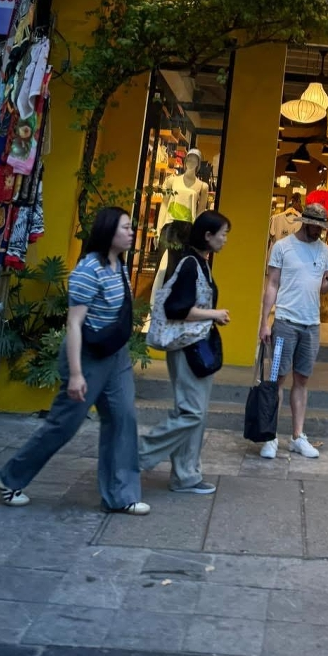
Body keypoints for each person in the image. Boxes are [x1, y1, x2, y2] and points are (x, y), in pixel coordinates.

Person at [0, 207, 148, 515]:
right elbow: (74, 324)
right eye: (125, 227)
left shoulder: (118, 265)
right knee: (64, 424)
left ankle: (121, 495)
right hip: (86, 355)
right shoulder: (88, 270)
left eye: (131, 227)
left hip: (115, 355)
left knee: (123, 417)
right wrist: (76, 374)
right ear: (108, 231)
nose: (131, 232)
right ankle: (9, 478)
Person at [139, 211, 231, 495]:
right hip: (187, 347)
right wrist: (214, 314)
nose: (225, 240)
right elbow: (176, 309)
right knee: (191, 413)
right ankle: (137, 455)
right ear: (208, 235)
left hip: (195, 345)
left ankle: (186, 475)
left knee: (194, 414)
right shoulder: (190, 264)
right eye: (223, 234)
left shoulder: (200, 263)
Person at [258, 203, 328, 459]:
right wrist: (264, 321)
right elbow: (272, 284)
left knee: (302, 379)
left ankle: (297, 436)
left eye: (323, 227)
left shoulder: (324, 250)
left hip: (311, 324)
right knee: (276, 378)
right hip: (284, 321)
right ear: (306, 223)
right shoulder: (282, 247)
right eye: (317, 227)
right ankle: (270, 436)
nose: (321, 231)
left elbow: (321, 288)